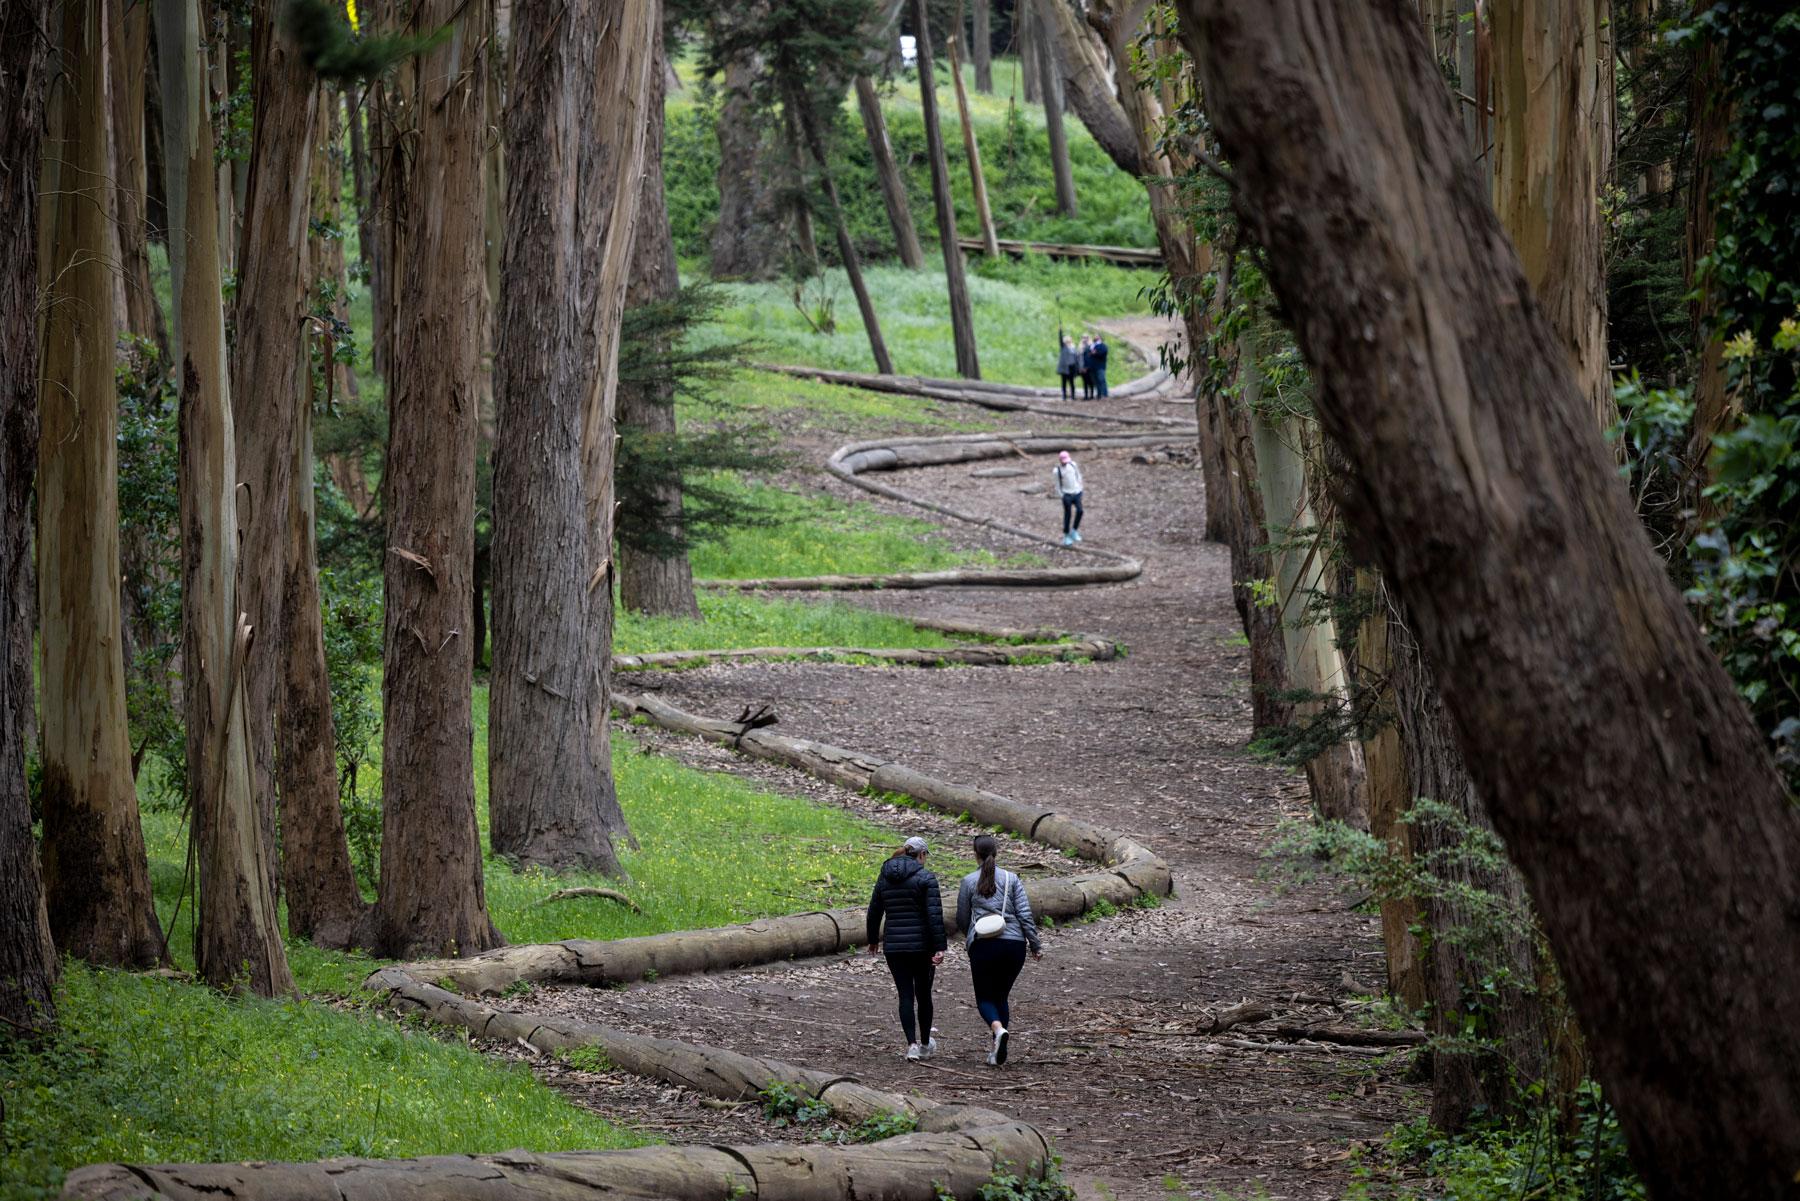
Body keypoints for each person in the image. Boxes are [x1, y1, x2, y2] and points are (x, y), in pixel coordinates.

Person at [956, 834, 1041, 1066]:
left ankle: (997, 1030)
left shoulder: (968, 881)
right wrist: (1035, 944)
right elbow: (1024, 914)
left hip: (983, 944)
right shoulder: (1012, 879)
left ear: (975, 854)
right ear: (997, 851)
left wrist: (971, 936)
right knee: (1001, 996)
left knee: (984, 997)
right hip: (1014, 945)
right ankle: (998, 1050)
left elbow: (961, 918)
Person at [866, 835, 947, 1061]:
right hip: (922, 947)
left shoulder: (885, 876)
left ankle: (910, 1045)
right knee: (923, 994)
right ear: (921, 854)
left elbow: (874, 910)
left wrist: (873, 939)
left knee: (905, 995)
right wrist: (940, 947)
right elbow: (934, 916)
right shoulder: (926, 878)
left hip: (894, 945)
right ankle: (924, 1044)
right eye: (926, 855)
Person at [1053, 450, 1084, 547]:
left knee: (1080, 511)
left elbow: (1078, 475)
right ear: (1060, 460)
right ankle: (1066, 536)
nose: (1066, 462)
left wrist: (1080, 487)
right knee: (1068, 514)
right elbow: (1057, 484)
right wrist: (1062, 495)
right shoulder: (1057, 471)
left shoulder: (1073, 465)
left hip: (1077, 492)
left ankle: (1074, 531)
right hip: (1066, 495)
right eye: (1064, 461)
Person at [1056, 334, 1080, 401]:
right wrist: (1060, 331)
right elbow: (1060, 339)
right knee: (1064, 382)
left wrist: (1077, 367)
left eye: (1069, 340)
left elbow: (1076, 358)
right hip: (1065, 368)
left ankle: (1073, 396)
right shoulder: (1063, 347)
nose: (1068, 341)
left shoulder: (1073, 347)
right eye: (1067, 340)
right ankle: (1064, 396)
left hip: (1072, 367)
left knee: (1072, 382)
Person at [1089, 333, 1109, 397]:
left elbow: (1102, 353)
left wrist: (1095, 353)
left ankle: (1104, 394)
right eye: (1095, 336)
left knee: (1101, 380)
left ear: (1100, 338)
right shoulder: (1092, 346)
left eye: (1097, 336)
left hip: (1100, 366)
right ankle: (1099, 394)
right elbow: (1089, 354)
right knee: (1096, 381)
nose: (1095, 337)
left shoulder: (1103, 346)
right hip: (1093, 366)